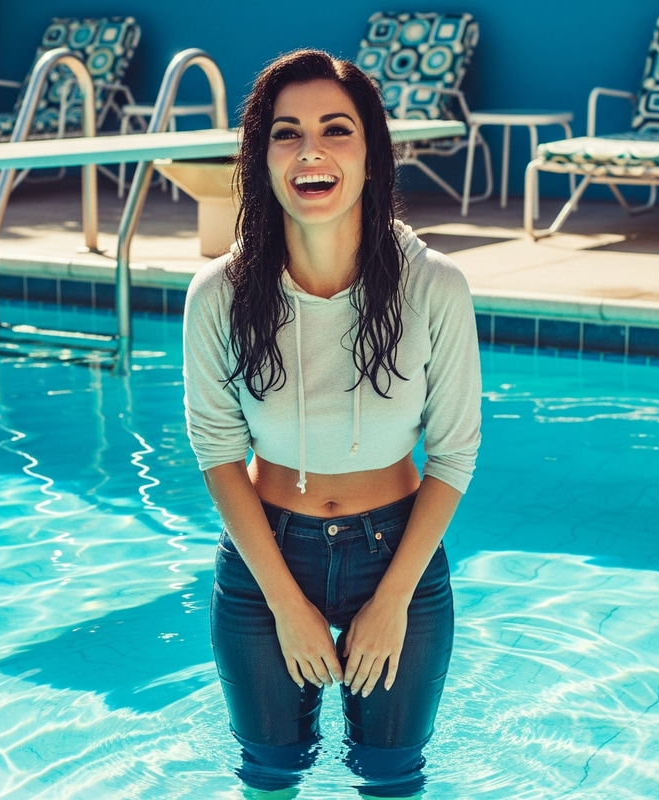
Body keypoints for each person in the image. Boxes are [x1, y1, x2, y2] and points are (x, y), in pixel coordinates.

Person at [183, 49, 482, 798]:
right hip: (267, 564)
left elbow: (453, 454)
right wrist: (286, 602)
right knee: (271, 775)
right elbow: (217, 450)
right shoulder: (218, 294)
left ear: (373, 155)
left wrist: (391, 602)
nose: (310, 151)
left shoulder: (436, 288)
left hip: (399, 558)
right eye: (287, 133)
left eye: (335, 129)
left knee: (389, 778)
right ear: (262, 158)